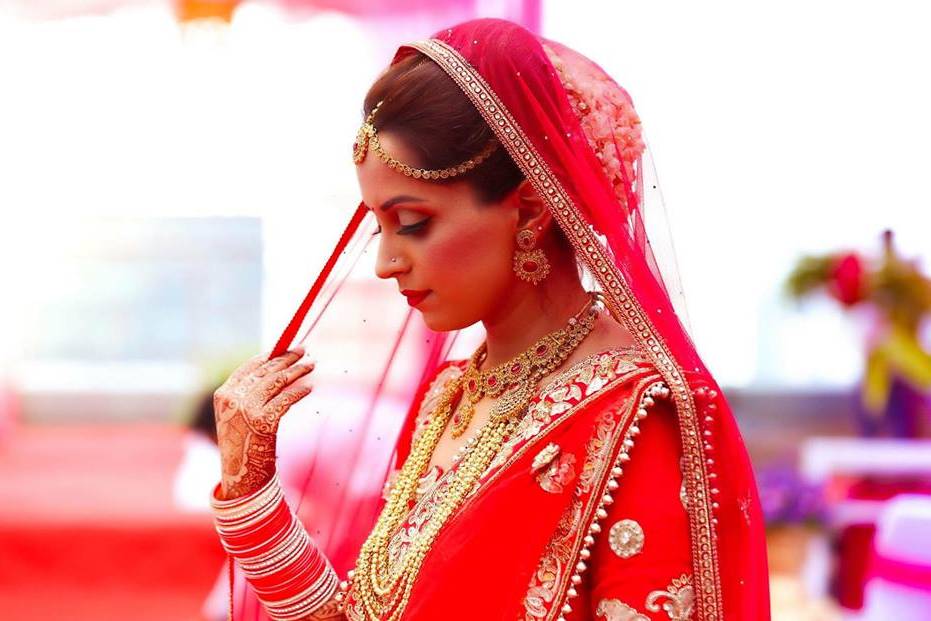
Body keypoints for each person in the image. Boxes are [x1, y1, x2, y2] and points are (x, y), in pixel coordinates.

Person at [208, 18, 771, 621]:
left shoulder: (635, 417)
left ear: (528, 209)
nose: (385, 263)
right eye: (380, 226)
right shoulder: (448, 400)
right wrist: (251, 493)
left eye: (414, 222)